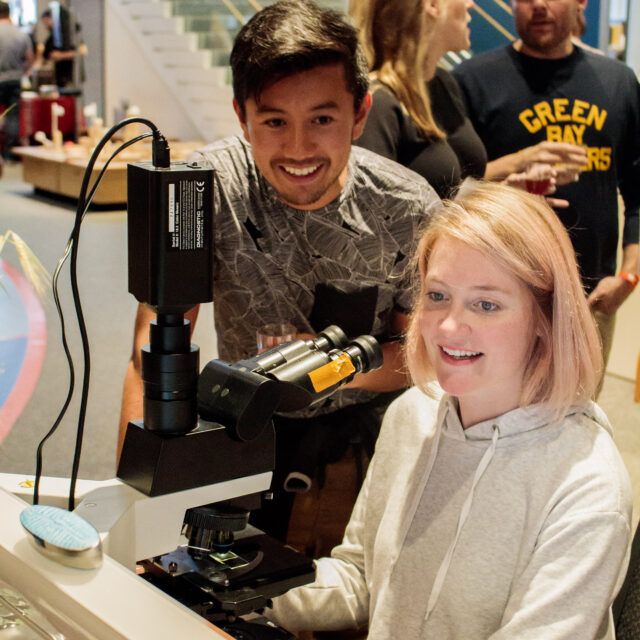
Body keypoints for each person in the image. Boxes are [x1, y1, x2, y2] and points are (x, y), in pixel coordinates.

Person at [119, 0, 440, 551]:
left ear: (359, 113)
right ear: (242, 117)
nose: (297, 149)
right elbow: (149, 355)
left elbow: (422, 356)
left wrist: (328, 370)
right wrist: (135, 502)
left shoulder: (406, 208)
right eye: (273, 121)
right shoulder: (201, 193)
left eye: (322, 118)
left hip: (363, 444)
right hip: (238, 433)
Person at [267, 179, 632, 639]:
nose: (450, 326)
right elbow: (362, 581)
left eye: (486, 304)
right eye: (438, 296)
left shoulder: (586, 487)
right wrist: (243, 583)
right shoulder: (412, 415)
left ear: (546, 319)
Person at [453, 0, 640, 378]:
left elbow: (639, 189)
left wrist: (629, 276)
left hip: (590, 296)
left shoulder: (618, 82)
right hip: (492, 294)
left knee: (577, 419)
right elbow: (449, 193)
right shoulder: (470, 81)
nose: (538, 4)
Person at [350, 0, 587, 201]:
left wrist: (505, 192)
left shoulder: (442, 83)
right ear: (432, 5)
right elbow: (377, 227)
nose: (471, 5)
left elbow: (451, 196)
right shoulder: (379, 102)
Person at [0, 1, 33, 159]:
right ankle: (10, 153)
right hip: (14, 80)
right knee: (13, 117)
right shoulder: (21, 34)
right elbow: (29, 58)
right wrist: (23, 72)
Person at [39, 6, 86, 89]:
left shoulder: (70, 36)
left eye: (46, 22)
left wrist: (61, 55)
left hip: (70, 75)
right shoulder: (52, 37)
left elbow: (81, 51)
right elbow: (46, 55)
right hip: (58, 76)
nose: (45, 26)